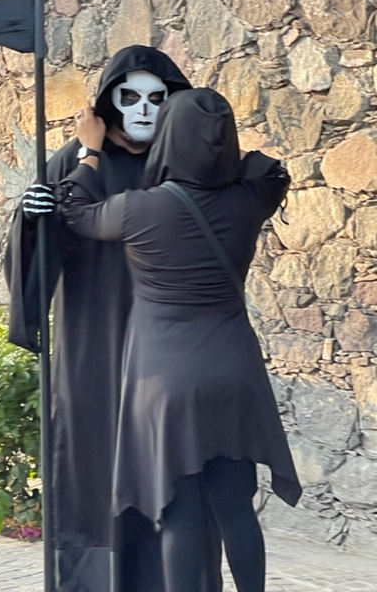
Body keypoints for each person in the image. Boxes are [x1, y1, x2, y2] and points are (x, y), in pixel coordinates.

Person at [60, 88, 303, 592]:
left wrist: (89, 151)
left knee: (180, 513)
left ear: (168, 136)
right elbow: (273, 171)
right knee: (236, 508)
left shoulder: (139, 209)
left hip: (166, 380)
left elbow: (76, 210)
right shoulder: (249, 199)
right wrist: (223, 155)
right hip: (234, 373)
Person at [4, 46, 224, 592]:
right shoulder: (75, 162)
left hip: (173, 346)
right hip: (95, 339)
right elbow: (37, 252)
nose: (144, 110)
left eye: (158, 98)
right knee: (94, 462)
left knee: (174, 473)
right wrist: (32, 222)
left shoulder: (188, 165)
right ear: (109, 103)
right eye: (131, 97)